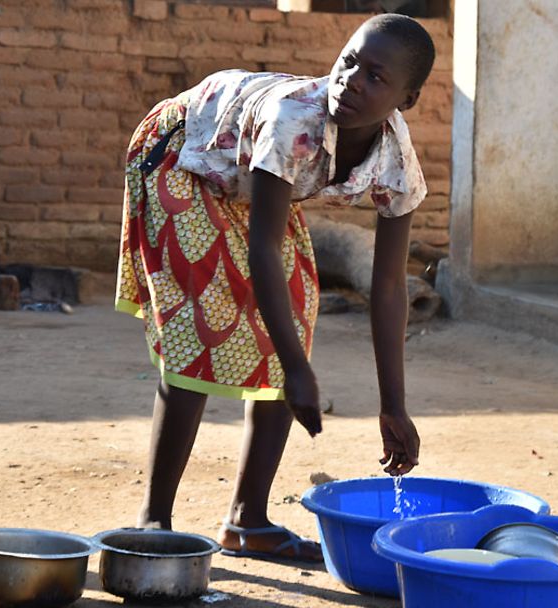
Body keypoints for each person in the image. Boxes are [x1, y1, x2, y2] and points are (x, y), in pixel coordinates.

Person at [114, 14, 435, 562]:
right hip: (183, 153)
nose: (353, 80)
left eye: (376, 77)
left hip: (248, 181)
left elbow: (386, 287)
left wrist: (394, 407)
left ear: (407, 99)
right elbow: (262, 248)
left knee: (293, 312)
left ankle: (248, 521)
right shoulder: (296, 120)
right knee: (205, 326)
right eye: (348, 61)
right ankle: (153, 522)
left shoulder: (396, 161)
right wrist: (297, 370)